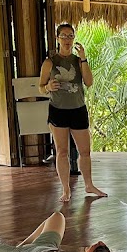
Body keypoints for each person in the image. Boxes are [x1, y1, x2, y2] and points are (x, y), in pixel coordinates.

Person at [39, 23, 106, 202]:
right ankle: (66, 189)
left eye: (70, 36)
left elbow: (89, 82)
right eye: (63, 36)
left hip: (78, 109)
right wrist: (48, 87)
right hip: (58, 110)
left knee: (85, 151)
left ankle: (89, 185)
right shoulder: (50, 62)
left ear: (74, 38)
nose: (67, 39)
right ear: (57, 38)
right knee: (62, 152)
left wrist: (83, 58)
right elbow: (40, 87)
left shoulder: (78, 61)